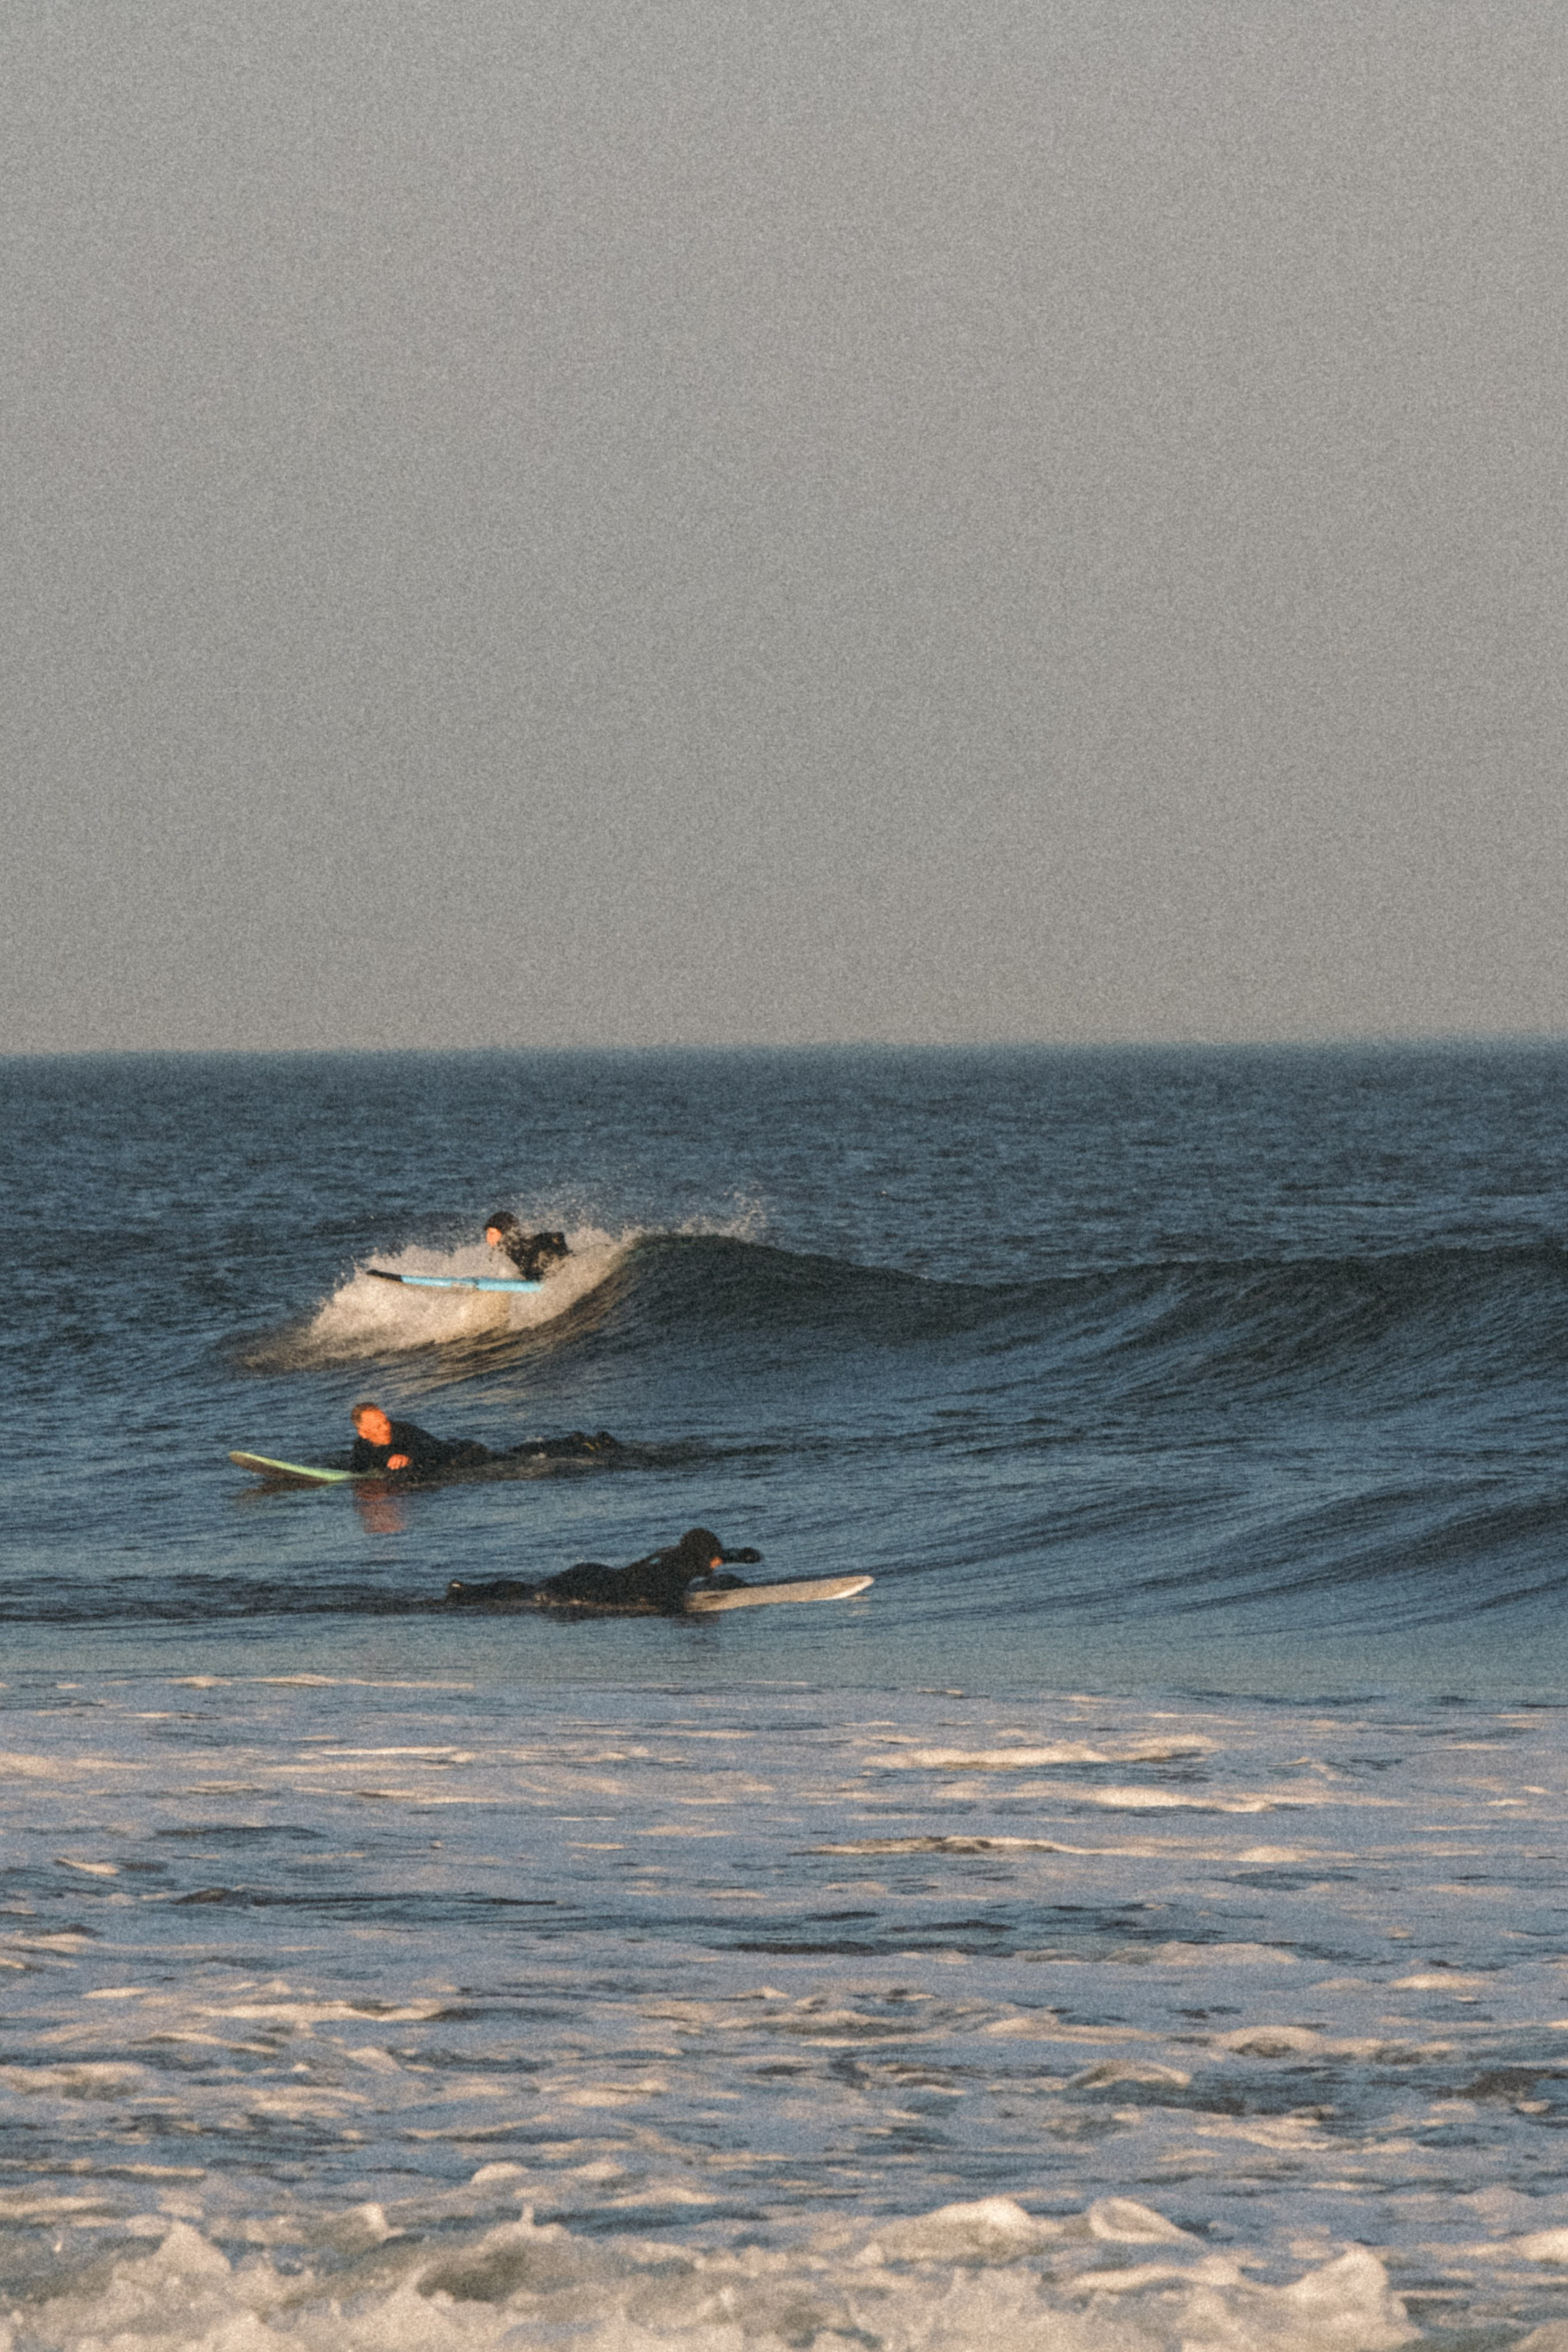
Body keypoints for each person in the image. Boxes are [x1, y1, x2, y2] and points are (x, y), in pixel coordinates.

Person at [446, 1528, 763, 1615]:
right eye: (715, 1557)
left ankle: (468, 1589)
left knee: (530, 1587)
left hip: (596, 1572)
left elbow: (720, 1555)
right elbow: (660, 1601)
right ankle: (469, 1592)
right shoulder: (676, 1570)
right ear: (701, 1556)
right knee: (534, 1594)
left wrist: (741, 1556)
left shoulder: (680, 1553)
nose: (718, 1561)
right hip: (594, 1585)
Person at [349, 1402, 492, 1475]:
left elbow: (428, 1446)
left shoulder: (403, 1430)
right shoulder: (361, 1447)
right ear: (364, 1433)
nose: (386, 1428)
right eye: (378, 1427)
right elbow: (358, 1470)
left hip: (462, 1453)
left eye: (385, 1422)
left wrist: (408, 1457)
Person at [485, 1212, 570, 1282]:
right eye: (488, 1233)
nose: (488, 1238)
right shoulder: (512, 1246)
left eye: (492, 1233)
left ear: (505, 1233)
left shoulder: (515, 1246)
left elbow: (556, 1238)